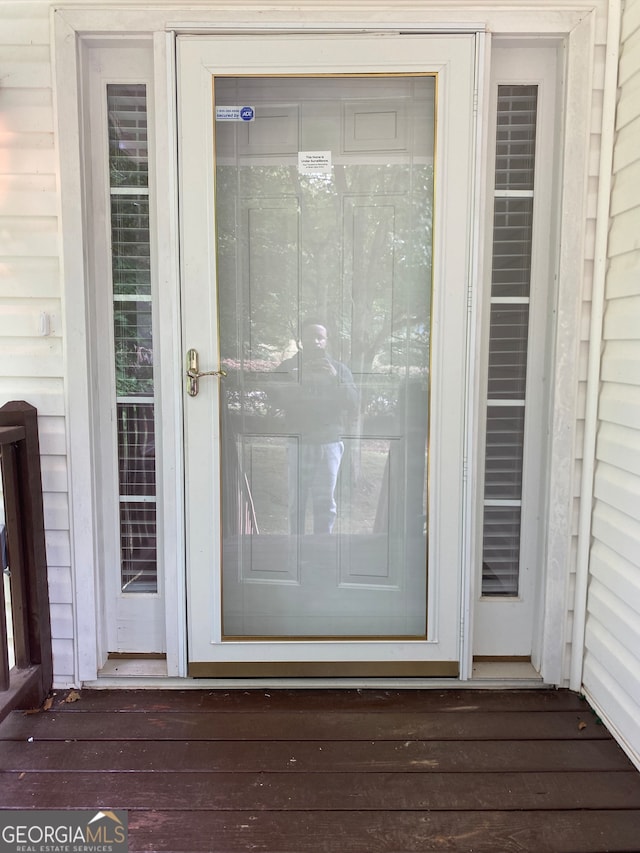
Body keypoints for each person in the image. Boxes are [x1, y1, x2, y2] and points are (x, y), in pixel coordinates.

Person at [273, 321, 358, 534]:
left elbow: (354, 404)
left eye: (321, 337)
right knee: (297, 502)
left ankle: (323, 547)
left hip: (329, 442)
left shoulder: (339, 369)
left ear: (326, 341)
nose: (316, 341)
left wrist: (335, 379)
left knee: (325, 502)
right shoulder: (287, 368)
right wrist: (299, 380)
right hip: (299, 441)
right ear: (301, 340)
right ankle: (297, 546)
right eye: (311, 336)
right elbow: (274, 398)